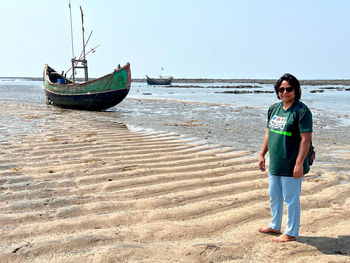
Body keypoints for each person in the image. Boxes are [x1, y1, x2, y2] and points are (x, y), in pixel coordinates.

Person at [258, 73, 312, 242]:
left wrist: (299, 164)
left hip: (292, 163)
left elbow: (306, 139)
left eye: (289, 89)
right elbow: (269, 132)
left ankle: (290, 232)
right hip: (275, 162)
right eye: (281, 89)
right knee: (274, 196)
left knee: (291, 199)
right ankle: (275, 225)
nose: (285, 92)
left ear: (295, 90)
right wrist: (262, 154)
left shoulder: (302, 111)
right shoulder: (273, 109)